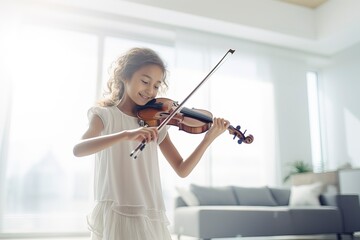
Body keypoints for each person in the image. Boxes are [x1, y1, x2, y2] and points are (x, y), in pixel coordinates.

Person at [73, 47, 230, 240]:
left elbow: (182, 169)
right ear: (124, 76)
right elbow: (79, 149)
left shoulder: (155, 123)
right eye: (145, 81)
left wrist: (207, 140)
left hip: (150, 210)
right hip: (117, 208)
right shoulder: (106, 115)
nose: (150, 91)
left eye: (156, 85)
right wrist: (126, 135)